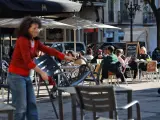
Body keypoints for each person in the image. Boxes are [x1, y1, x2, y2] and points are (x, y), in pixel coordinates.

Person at [7, 17, 74, 120]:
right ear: (27, 29)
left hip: (25, 75)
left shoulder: (35, 41)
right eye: (34, 28)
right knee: (21, 107)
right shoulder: (22, 40)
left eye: (38, 28)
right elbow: (28, 61)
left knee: (32, 103)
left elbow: (48, 50)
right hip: (16, 76)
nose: (36, 30)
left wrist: (64, 56)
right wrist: (42, 72)